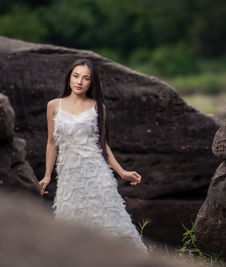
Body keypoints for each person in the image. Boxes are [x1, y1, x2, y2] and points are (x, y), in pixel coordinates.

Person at [38, 58, 148, 254]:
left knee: (108, 224)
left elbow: (102, 145)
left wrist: (122, 172)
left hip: (97, 175)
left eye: (85, 78)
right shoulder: (54, 106)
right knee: (70, 224)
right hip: (69, 178)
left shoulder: (98, 107)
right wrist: (47, 175)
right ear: (69, 78)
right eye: (76, 76)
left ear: (91, 83)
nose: (79, 82)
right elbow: (52, 143)